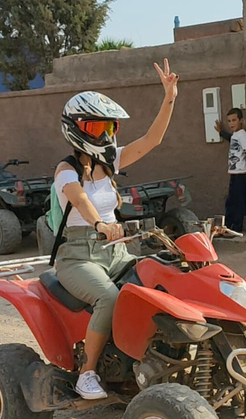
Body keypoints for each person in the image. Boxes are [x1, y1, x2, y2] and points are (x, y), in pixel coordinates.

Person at [54, 59, 179, 400]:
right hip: (78, 256)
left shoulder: (110, 163)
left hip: (116, 252)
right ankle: (87, 372)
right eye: (97, 129)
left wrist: (170, 96)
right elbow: (80, 201)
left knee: (160, 277)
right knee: (109, 297)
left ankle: (152, 359)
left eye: (110, 128)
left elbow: (152, 139)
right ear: (76, 128)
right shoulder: (65, 171)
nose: (106, 135)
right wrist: (100, 224)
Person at [215, 108, 246, 233]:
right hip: (234, 173)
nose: (231, 123)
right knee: (231, 201)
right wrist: (221, 132)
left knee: (238, 201)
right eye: (229, 121)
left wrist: (242, 165)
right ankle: (229, 225)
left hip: (241, 174)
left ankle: (237, 227)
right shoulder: (236, 135)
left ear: (241, 120)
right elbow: (231, 138)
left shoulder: (242, 134)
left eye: (234, 120)